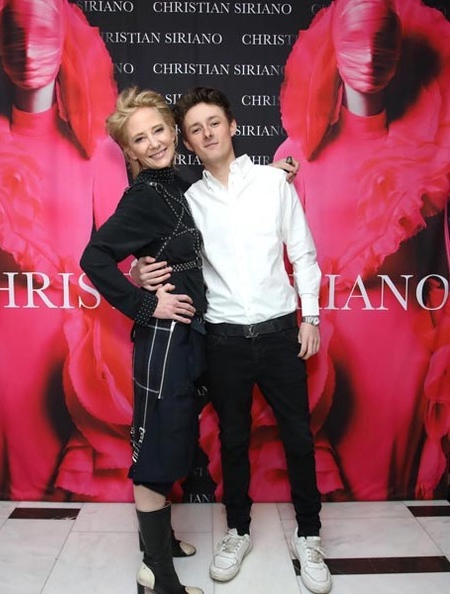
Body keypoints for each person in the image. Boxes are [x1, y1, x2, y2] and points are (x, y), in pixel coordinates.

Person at [135, 87, 332, 594]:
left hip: (281, 333)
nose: (207, 134)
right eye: (195, 129)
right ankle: (238, 531)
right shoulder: (188, 202)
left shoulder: (272, 182)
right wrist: (137, 271)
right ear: (187, 143)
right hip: (223, 339)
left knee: (298, 437)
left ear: (233, 125)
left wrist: (310, 317)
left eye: (214, 123)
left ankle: (309, 536)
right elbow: (161, 251)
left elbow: (303, 253)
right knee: (233, 440)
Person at [0, 0, 130, 500]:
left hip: (76, 343)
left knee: (74, 489)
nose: (28, 52)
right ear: (0, 52)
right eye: (15, 39)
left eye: (41, 37)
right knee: (10, 490)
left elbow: (123, 257)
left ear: (63, 48)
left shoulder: (98, 151)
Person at [274, 0, 450, 500]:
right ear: (333, 49)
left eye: (382, 41)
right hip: (320, 344)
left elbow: (439, 263)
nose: (370, 56)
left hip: (401, 350)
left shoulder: (429, 159)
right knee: (320, 489)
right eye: (356, 39)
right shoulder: (295, 155)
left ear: (399, 50)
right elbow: (279, 262)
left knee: (387, 498)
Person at [80, 87, 206, 594]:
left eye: (159, 130)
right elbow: (93, 258)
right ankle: (157, 574)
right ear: (128, 150)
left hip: (187, 337)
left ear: (173, 130)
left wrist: (274, 175)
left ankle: (161, 543)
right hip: (163, 338)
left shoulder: (179, 182)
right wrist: (144, 302)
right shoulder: (145, 195)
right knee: (157, 448)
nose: (154, 142)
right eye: (140, 138)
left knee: (172, 438)